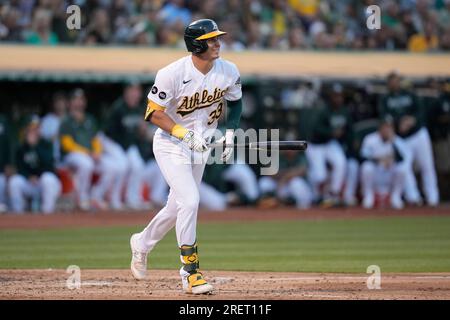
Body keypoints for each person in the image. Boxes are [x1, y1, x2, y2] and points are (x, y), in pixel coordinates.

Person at [129, 19, 242, 295]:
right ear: (196, 44)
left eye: (218, 38)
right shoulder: (171, 73)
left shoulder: (228, 70)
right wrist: (183, 133)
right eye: (212, 39)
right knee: (190, 200)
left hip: (201, 144)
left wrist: (229, 132)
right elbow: (153, 112)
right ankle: (190, 273)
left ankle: (142, 243)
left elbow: (236, 103)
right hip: (171, 143)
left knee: (177, 207)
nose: (218, 43)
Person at [59, 89, 125, 211]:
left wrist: (97, 152)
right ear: (70, 102)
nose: (78, 102)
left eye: (81, 99)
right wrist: (88, 153)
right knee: (86, 164)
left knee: (112, 167)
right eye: (75, 99)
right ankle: (82, 198)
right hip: (72, 156)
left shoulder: (89, 119)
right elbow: (67, 145)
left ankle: (96, 196)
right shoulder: (66, 121)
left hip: (90, 155)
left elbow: (96, 140)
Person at [379, 72, 439, 206]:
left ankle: (432, 198)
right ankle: (414, 198)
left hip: (418, 133)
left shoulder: (410, 94)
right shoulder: (385, 99)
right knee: (404, 167)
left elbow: (421, 112)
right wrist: (397, 124)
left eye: (396, 81)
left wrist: (412, 120)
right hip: (401, 138)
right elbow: (384, 118)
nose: (394, 84)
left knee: (427, 166)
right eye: (392, 81)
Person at [305, 84, 351, 207]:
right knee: (320, 175)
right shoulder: (323, 110)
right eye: (335, 96)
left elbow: (349, 129)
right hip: (316, 145)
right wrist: (331, 132)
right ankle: (316, 196)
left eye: (340, 96)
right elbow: (315, 129)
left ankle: (334, 194)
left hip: (330, 143)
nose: (338, 99)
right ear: (330, 97)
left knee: (341, 163)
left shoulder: (344, 111)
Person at [8, 116, 61, 214]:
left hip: (46, 182)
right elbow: (19, 168)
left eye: (37, 128)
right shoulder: (21, 148)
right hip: (30, 182)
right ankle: (18, 213)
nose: (34, 131)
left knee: (47, 179)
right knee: (14, 181)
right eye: (32, 129)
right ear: (26, 130)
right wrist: (29, 177)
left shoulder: (47, 144)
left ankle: (47, 213)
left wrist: (35, 146)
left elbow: (49, 165)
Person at [360, 116, 410, 209]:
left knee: (402, 168)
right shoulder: (370, 139)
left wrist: (393, 143)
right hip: (376, 172)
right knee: (366, 167)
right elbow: (363, 157)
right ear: (380, 128)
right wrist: (379, 160)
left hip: (389, 173)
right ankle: (368, 196)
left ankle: (396, 197)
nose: (387, 130)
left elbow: (402, 159)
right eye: (385, 127)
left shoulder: (396, 140)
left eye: (389, 127)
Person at [40, 92, 67, 165]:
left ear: (66, 103)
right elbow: (42, 140)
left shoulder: (70, 119)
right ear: (53, 104)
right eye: (57, 102)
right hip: (53, 158)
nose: (60, 105)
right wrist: (56, 135)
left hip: (69, 157)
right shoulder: (46, 120)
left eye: (62, 101)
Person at [0, 113, 11, 213]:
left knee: (2, 181)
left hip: (1, 169)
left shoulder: (3, 121)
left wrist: (8, 165)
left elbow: (7, 145)